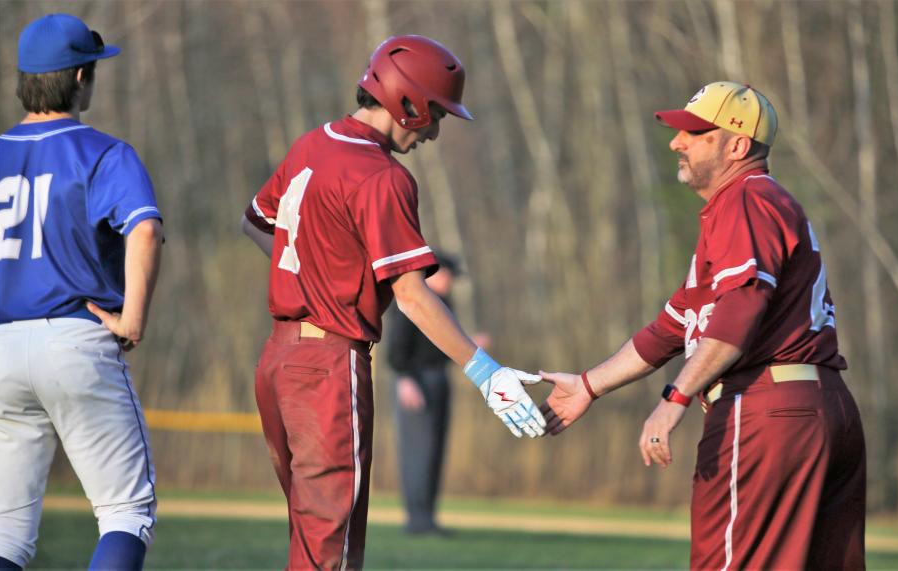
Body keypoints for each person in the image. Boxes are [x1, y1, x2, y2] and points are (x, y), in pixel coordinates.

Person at [241, 35, 545, 568]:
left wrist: (317, 268)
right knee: (329, 552)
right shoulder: (382, 176)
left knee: (309, 537)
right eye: (438, 114)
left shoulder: (310, 144)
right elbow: (412, 295)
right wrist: (486, 371)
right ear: (410, 103)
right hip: (329, 368)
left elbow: (254, 223)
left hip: (278, 362)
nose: (435, 130)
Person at [540, 82, 866, 570]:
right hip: (822, 406)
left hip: (765, 412)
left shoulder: (747, 199)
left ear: (736, 145)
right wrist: (589, 385)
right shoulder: (744, 208)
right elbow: (671, 329)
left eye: (695, 132)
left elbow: (741, 307)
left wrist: (674, 399)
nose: (677, 142)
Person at [0, 14, 163, 570]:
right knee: (125, 511)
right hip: (74, 337)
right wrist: (132, 318)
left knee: (6, 536)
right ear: (81, 77)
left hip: (2, 348)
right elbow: (143, 228)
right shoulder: (102, 152)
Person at [386, 252, 485, 536]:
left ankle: (427, 517)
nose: (451, 282)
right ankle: (417, 519)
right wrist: (405, 379)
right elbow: (397, 349)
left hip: (437, 379)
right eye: (448, 275)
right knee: (418, 451)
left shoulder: (442, 304)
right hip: (416, 382)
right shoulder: (414, 303)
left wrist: (469, 345)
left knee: (433, 451)